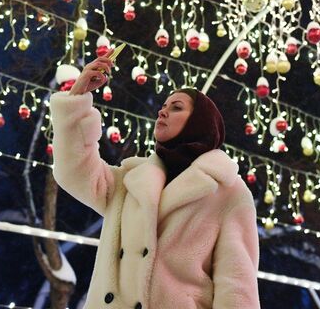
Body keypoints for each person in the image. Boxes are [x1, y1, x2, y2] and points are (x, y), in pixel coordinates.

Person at [49, 51, 260, 308]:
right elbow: (73, 172)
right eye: (163, 106)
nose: (162, 112)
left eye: (176, 107)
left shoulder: (228, 192)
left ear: (200, 122)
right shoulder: (130, 180)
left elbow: (237, 286)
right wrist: (78, 97)